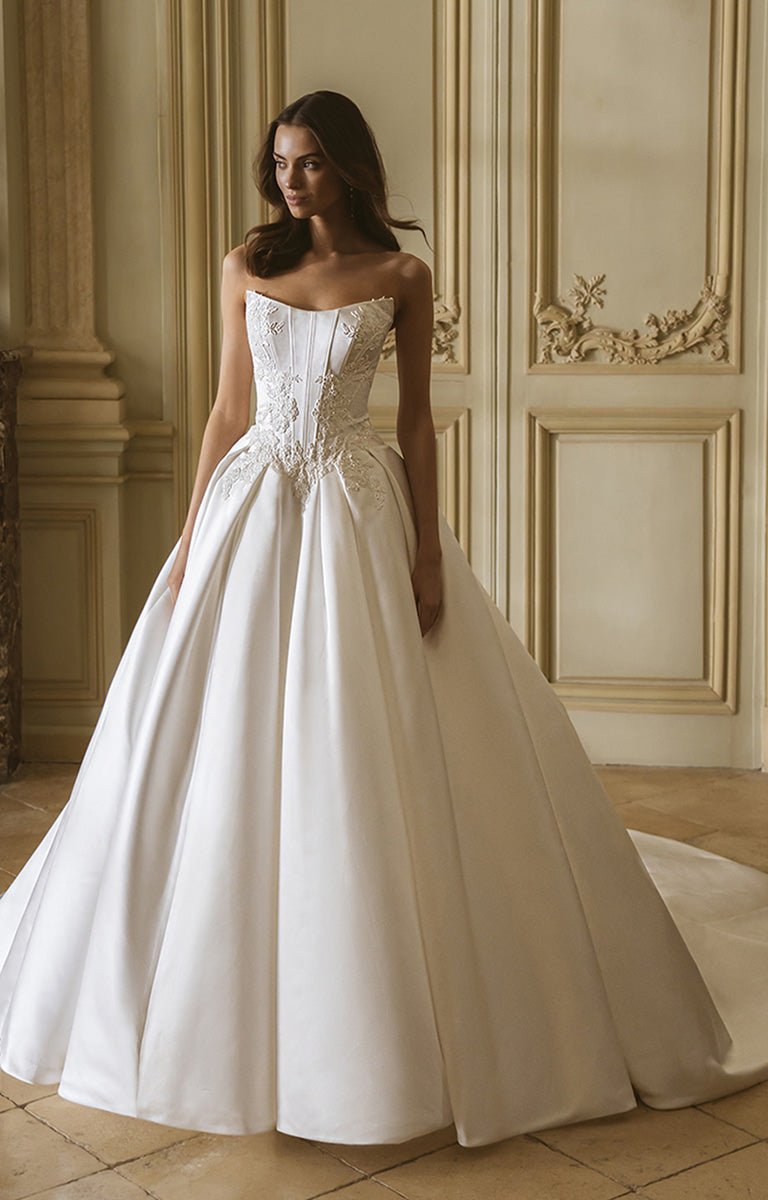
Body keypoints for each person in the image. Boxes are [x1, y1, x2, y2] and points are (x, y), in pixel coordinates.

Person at [0, 89, 767, 1149]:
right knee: (211, 739)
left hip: (358, 508)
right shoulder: (247, 265)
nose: (290, 181)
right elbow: (230, 408)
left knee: (365, 738)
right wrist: (187, 539)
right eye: (280, 163)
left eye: (309, 163)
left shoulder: (402, 275)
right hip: (256, 503)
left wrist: (424, 552)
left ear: (351, 167)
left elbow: (415, 423)